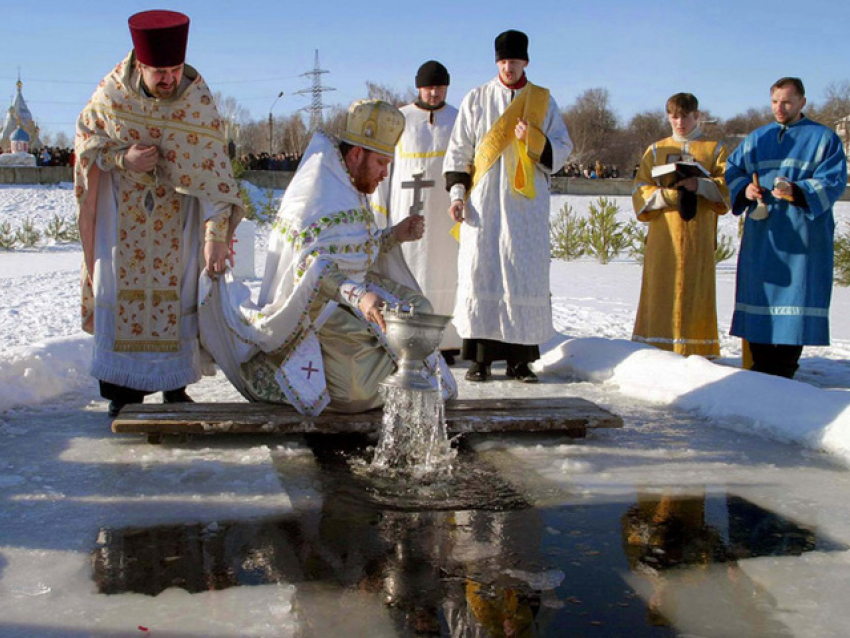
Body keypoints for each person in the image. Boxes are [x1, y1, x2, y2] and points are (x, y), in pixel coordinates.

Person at [199, 99, 457, 415]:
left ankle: (397, 375)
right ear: (357, 154)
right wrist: (358, 296)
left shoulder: (351, 186)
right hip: (319, 307)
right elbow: (313, 268)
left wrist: (395, 234)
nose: (384, 174)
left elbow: (357, 250)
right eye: (380, 163)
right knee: (358, 393)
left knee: (421, 311)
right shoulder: (317, 192)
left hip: (358, 297)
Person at [74, 10, 243, 417]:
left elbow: (216, 172)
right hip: (122, 220)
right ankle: (122, 391)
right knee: (118, 292)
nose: (169, 79)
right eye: (159, 71)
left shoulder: (196, 99)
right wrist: (121, 159)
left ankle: (174, 386)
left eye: (174, 69)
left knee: (178, 295)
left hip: (177, 221)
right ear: (141, 63)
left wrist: (215, 234)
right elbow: (86, 142)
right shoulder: (112, 94)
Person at [443, 29, 572, 383]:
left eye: (514, 62)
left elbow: (562, 149)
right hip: (482, 204)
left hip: (525, 207)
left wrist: (533, 139)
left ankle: (520, 361)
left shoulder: (543, 101)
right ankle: (480, 361)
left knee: (521, 276)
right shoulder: (477, 98)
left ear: (525, 62)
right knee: (481, 270)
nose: (508, 68)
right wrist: (457, 194)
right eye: (502, 61)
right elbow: (459, 151)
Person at [726, 77, 847, 378]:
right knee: (760, 299)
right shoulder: (756, 138)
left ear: (803, 102)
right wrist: (745, 190)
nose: (780, 108)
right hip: (763, 238)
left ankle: (784, 371)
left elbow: (833, 180)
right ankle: (761, 370)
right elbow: (733, 169)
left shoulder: (824, 139)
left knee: (796, 299)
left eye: (787, 102)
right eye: (775, 102)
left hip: (802, 238)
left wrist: (799, 190)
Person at [371, 60, 461, 362]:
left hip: (444, 216)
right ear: (418, 87)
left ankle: (447, 342)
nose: (433, 93)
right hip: (404, 210)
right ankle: (404, 337)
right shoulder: (400, 119)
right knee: (407, 271)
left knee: (445, 269)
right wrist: (379, 211)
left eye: (439, 87)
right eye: (428, 87)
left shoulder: (458, 119)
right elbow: (385, 165)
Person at [631, 93, 730, 357]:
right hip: (665, 235)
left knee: (695, 290)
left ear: (697, 116)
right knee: (660, 287)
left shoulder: (714, 149)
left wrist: (698, 185)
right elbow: (640, 188)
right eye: (674, 116)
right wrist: (667, 194)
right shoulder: (656, 149)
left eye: (685, 116)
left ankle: (696, 349)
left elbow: (726, 188)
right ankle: (656, 346)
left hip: (698, 232)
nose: (680, 122)